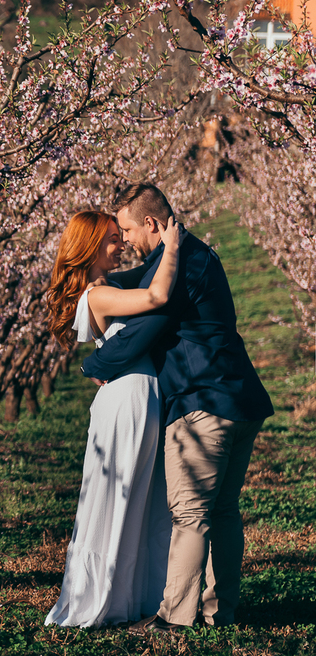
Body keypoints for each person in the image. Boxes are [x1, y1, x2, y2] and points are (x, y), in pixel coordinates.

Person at [82, 184, 273, 633]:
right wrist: (105, 283)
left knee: (189, 515)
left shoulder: (178, 268)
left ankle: (176, 619)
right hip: (239, 400)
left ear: (150, 224)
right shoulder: (192, 253)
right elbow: (143, 278)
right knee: (223, 510)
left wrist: (95, 362)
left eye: (127, 228)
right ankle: (218, 612)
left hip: (203, 402)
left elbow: (144, 329)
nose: (124, 239)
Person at [42, 209, 178, 628]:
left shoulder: (104, 286)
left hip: (137, 394)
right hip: (126, 400)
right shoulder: (96, 296)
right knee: (117, 497)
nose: (120, 245)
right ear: (90, 247)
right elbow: (156, 298)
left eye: (121, 237)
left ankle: (131, 595)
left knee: (138, 499)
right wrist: (172, 248)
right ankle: (96, 599)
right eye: (111, 240)